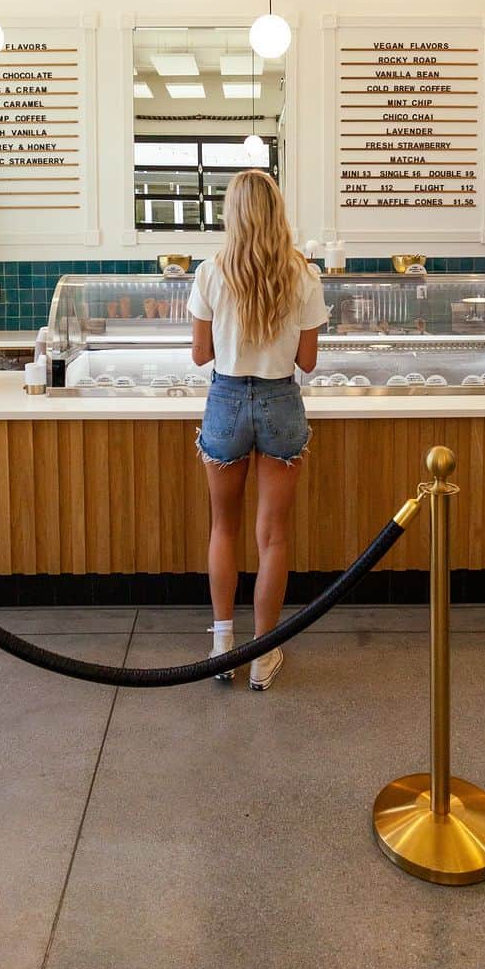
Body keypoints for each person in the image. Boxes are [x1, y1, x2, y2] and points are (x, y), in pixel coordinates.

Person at [187, 169, 327, 690]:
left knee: (223, 528)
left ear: (233, 214)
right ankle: (263, 656)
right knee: (272, 536)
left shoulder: (211, 271)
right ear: (276, 212)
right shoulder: (303, 274)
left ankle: (223, 646)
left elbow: (201, 355)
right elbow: (307, 362)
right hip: (280, 401)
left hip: (225, 398)